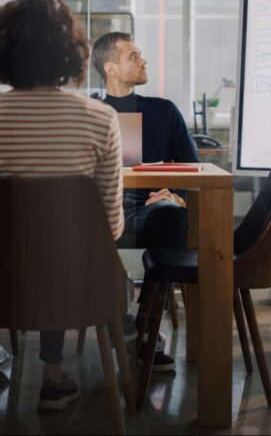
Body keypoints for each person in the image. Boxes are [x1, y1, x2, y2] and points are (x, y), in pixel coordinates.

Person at [0, 0, 124, 411]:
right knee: (61, 247)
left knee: (33, 245)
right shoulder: (101, 118)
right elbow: (111, 227)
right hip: (81, 287)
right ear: (70, 50)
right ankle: (54, 376)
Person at [91, 31, 199, 373]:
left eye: (141, 55)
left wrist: (176, 193)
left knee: (171, 216)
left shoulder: (163, 110)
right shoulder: (89, 112)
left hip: (149, 209)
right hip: (98, 212)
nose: (143, 61)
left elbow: (191, 166)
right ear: (110, 67)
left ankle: (145, 331)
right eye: (133, 56)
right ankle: (123, 321)